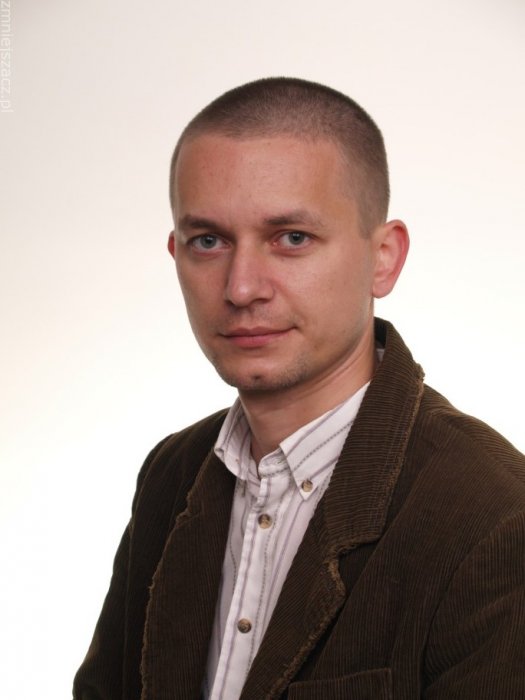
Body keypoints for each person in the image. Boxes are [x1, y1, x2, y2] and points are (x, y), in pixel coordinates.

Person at [73, 77, 525, 699]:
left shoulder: (495, 513)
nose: (241, 288)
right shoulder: (171, 473)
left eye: (291, 238)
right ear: (176, 254)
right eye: (209, 241)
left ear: (384, 257)